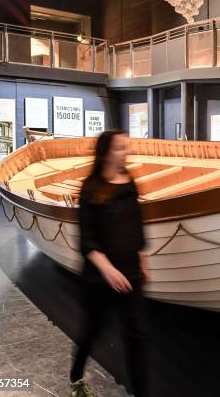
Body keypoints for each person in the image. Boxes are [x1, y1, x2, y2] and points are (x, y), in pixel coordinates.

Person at [69, 130, 150, 397]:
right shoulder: (91, 188)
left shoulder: (129, 182)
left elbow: (136, 226)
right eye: (119, 148)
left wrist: (143, 259)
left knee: (136, 336)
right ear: (105, 153)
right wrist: (108, 270)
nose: (126, 152)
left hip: (130, 273)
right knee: (92, 331)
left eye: (127, 147)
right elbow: (88, 241)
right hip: (99, 278)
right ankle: (76, 377)